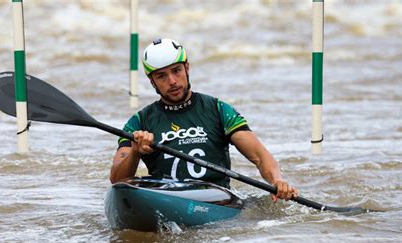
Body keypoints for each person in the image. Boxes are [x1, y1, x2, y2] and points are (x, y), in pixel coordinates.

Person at [110, 38, 298, 201]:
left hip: (215, 198)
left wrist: (276, 180)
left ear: (187, 68)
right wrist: (135, 152)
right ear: (152, 82)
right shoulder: (139, 122)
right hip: (166, 197)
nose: (172, 81)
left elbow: (260, 156)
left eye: (176, 71)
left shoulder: (218, 110)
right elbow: (117, 180)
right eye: (162, 76)